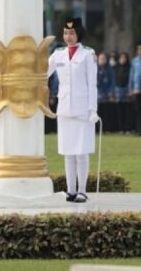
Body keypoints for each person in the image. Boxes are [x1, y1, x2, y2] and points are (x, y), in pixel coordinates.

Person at [47, 17, 99, 203]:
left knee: (81, 151)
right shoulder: (58, 54)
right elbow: (43, 73)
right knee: (68, 151)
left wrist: (93, 109)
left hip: (83, 108)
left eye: (72, 33)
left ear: (79, 34)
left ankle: (82, 190)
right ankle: (70, 190)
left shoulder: (87, 54)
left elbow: (92, 84)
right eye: (66, 33)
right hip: (64, 108)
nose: (68, 36)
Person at [96, 53, 116, 132]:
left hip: (107, 95)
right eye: (100, 58)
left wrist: (110, 93)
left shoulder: (110, 69)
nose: (102, 60)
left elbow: (112, 82)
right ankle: (97, 129)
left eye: (103, 58)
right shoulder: (94, 68)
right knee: (97, 113)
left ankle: (106, 129)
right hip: (97, 95)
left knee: (106, 113)